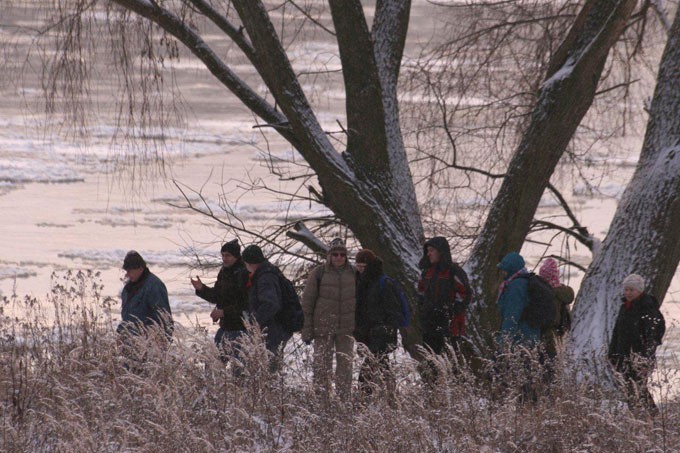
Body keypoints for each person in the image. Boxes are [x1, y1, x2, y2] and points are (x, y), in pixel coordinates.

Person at [301, 238, 356, 400]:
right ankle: (321, 400)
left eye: (342, 254)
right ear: (329, 256)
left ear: (346, 256)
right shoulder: (318, 273)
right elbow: (307, 302)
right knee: (321, 367)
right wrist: (307, 328)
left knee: (345, 366)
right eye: (335, 254)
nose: (338, 257)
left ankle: (343, 400)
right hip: (322, 328)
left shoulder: (353, 273)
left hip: (346, 329)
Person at [608, 274, 665, 413]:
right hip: (623, 354)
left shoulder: (647, 307)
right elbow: (617, 332)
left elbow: (655, 333)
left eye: (631, 290)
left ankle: (652, 414)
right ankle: (637, 415)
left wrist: (645, 353)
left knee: (638, 386)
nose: (628, 293)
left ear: (639, 291)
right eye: (626, 289)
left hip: (640, 356)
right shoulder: (625, 307)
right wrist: (612, 353)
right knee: (628, 386)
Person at [417, 236, 471, 381]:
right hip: (430, 324)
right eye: (427, 251)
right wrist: (423, 311)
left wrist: (451, 310)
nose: (429, 254)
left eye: (432, 250)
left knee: (451, 364)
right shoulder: (426, 272)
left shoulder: (453, 271)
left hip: (450, 326)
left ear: (440, 251)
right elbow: (421, 293)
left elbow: (465, 294)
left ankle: (453, 393)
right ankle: (432, 393)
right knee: (430, 362)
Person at [353, 249, 402, 399]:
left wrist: (388, 328)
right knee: (381, 365)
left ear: (370, 265)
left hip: (381, 332)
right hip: (366, 333)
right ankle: (390, 397)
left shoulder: (383, 282)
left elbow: (394, 309)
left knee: (369, 367)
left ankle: (363, 398)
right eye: (358, 266)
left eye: (363, 266)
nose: (360, 269)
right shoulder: (360, 281)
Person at [191, 239, 248, 364]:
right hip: (225, 327)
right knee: (213, 365)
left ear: (236, 256)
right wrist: (202, 289)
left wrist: (223, 312)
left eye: (228, 255)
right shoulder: (224, 272)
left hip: (240, 328)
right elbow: (217, 296)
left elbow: (245, 304)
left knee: (238, 369)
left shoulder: (243, 273)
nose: (224, 258)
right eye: (222, 255)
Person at [495, 251, 539, 402]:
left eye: (504, 269)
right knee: (525, 376)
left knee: (519, 377)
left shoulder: (515, 287)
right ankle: (527, 409)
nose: (502, 272)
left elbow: (511, 316)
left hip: (519, 338)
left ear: (511, 269)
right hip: (528, 336)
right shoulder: (523, 282)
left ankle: (521, 408)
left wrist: (504, 340)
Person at [117, 250, 174, 368]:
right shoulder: (128, 288)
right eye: (126, 271)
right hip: (128, 345)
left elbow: (165, 319)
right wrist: (120, 333)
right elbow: (127, 317)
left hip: (147, 346)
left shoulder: (154, 286)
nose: (127, 274)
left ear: (140, 268)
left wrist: (160, 343)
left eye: (130, 271)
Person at [241, 244, 291, 368]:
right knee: (271, 366)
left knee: (270, 367)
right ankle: (272, 386)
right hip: (278, 327)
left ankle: (271, 387)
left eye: (246, 264)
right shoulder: (268, 271)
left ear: (251, 263)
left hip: (272, 329)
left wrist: (254, 321)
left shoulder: (265, 277)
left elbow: (271, 304)